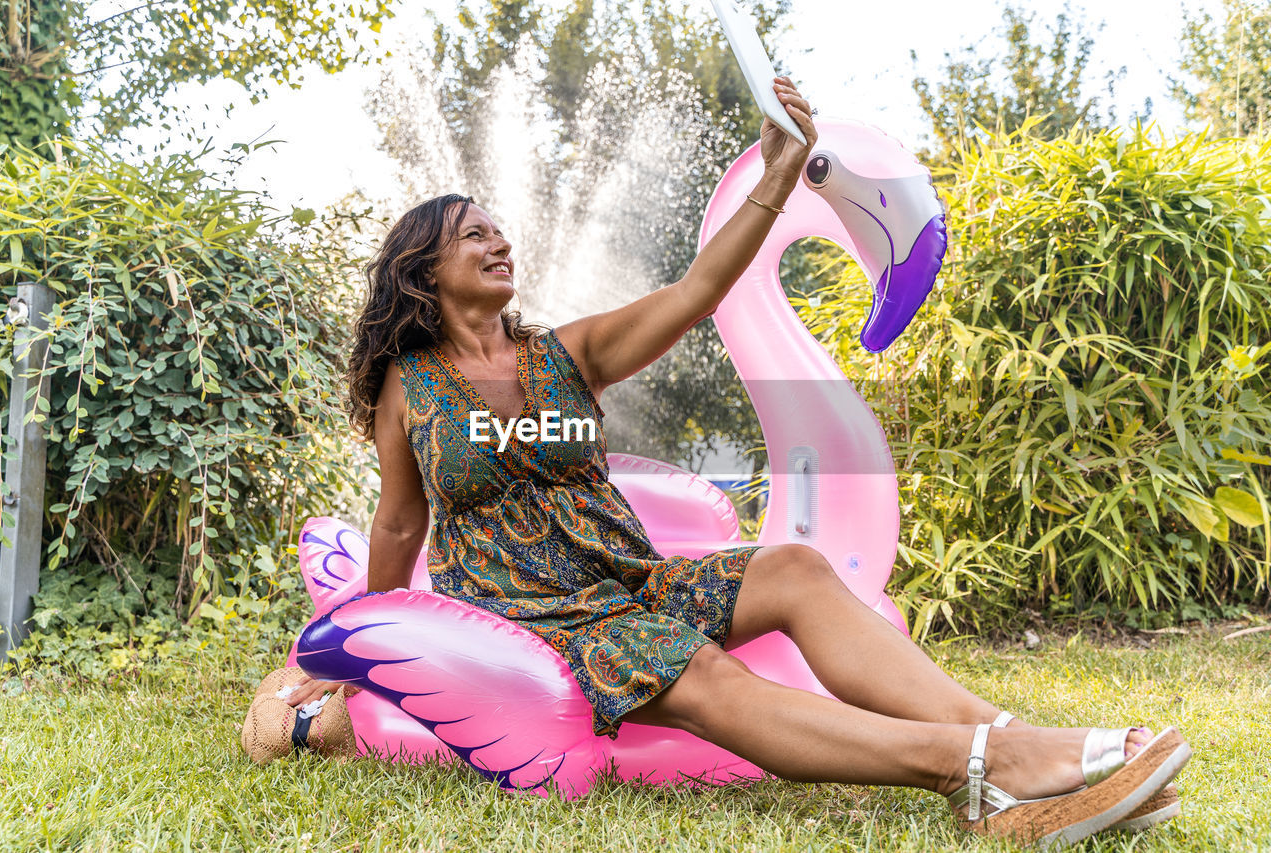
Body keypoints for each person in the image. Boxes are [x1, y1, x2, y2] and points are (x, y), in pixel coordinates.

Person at [284, 78, 1188, 843]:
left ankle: (1009, 738)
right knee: (701, 670)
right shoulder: (407, 387)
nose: (498, 242)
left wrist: (782, 170)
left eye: (499, 229)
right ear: (423, 267)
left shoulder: (565, 354)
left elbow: (697, 289)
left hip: (631, 583)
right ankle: (976, 768)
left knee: (793, 564)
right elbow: (401, 522)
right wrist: (363, 646)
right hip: (541, 618)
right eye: (473, 234)